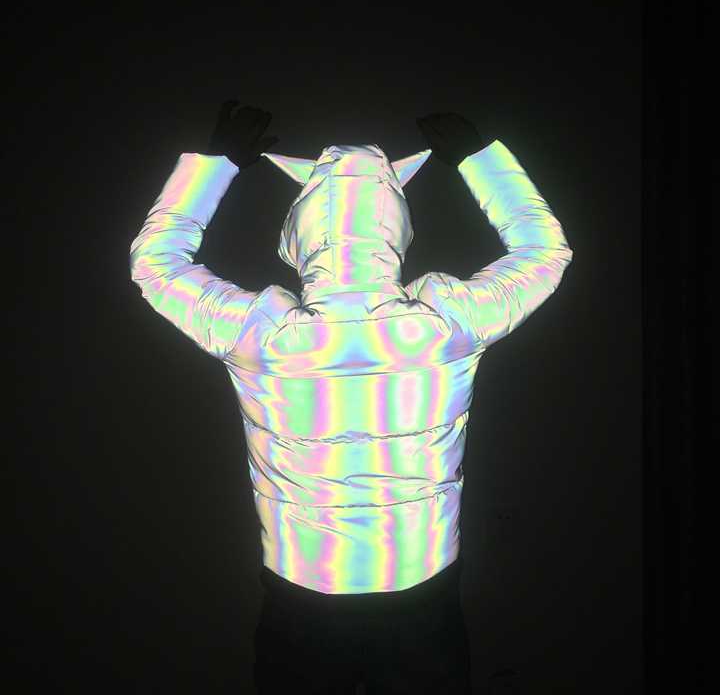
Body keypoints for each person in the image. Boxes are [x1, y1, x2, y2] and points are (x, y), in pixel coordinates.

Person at [129, 103, 574, 694]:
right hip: (422, 597)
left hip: (301, 597)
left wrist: (216, 165)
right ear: (397, 227)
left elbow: (155, 266)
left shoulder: (260, 334)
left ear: (300, 230)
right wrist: (479, 160)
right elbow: (545, 255)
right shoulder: (446, 324)